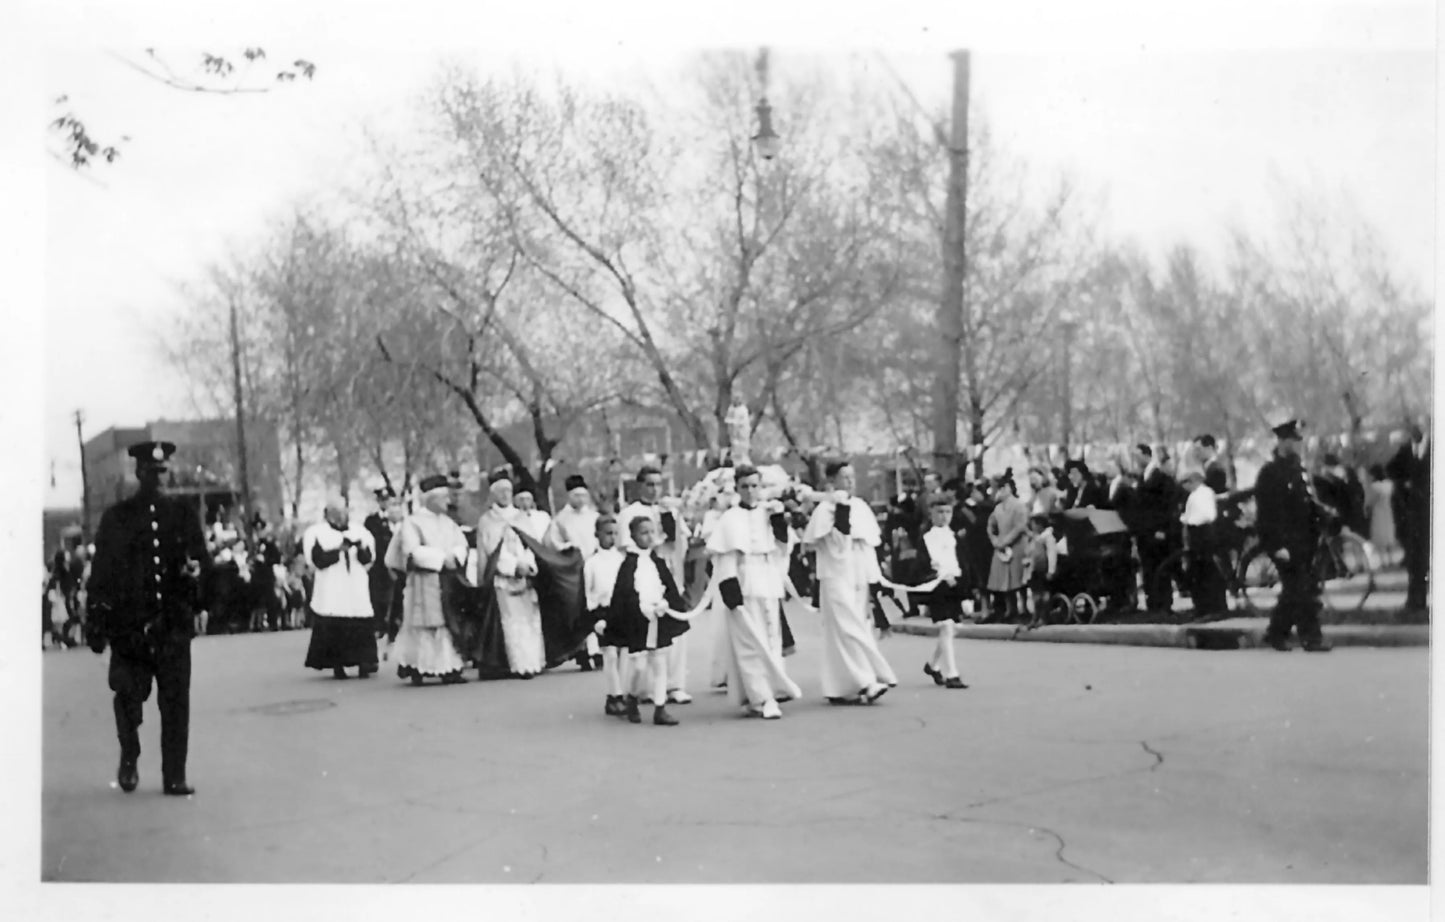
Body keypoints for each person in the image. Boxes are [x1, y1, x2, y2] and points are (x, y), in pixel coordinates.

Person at [85, 441, 208, 796]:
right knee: (127, 698)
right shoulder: (117, 518)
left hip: (172, 625)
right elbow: (101, 575)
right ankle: (129, 755)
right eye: (152, 473)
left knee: (175, 703)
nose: (159, 479)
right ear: (139, 473)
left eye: (163, 472)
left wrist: (196, 577)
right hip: (131, 628)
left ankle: (174, 774)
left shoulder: (183, 514)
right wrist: (98, 622)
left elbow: (202, 560)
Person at [707, 465, 803, 719]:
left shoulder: (769, 513)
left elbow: (783, 548)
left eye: (754, 486)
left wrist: (778, 522)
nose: (750, 491)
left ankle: (769, 690)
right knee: (749, 642)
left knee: (772, 637)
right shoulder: (729, 518)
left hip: (767, 578)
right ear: (736, 489)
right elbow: (725, 556)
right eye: (744, 487)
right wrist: (730, 589)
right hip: (743, 581)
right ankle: (761, 697)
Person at [802, 461, 897, 705]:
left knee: (859, 624)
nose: (851, 482)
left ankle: (844, 686)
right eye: (845, 477)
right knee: (846, 625)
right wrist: (839, 511)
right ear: (832, 482)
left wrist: (875, 579)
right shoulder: (825, 509)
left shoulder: (862, 506)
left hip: (858, 574)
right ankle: (869, 679)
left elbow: (868, 546)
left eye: (852, 477)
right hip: (835, 573)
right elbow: (834, 543)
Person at [616, 465, 694, 705]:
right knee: (647, 634)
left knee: (675, 629)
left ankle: (674, 685)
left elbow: (683, 540)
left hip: (670, 574)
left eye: (658, 484)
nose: (654, 489)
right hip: (645, 577)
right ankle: (645, 687)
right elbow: (625, 546)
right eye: (649, 484)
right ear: (640, 486)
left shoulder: (669, 509)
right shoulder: (630, 513)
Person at [1255, 420, 1333, 652]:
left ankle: (1275, 634)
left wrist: (1325, 516)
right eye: (1294, 440)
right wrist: (1276, 544)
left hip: (1304, 542)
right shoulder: (1269, 473)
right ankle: (1311, 638)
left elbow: (1307, 503)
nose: (1298, 445)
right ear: (1282, 442)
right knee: (1302, 590)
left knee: (1296, 590)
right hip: (1284, 543)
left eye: (1299, 440)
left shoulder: (1299, 470)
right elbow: (1266, 514)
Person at [385, 474, 471, 684]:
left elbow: (461, 543)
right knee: (425, 626)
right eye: (443, 498)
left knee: (447, 624)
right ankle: (417, 667)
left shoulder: (448, 522)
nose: (447, 502)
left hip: (448, 582)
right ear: (431, 499)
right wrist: (442, 559)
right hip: (424, 581)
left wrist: (456, 556)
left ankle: (449, 667)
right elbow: (411, 551)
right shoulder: (413, 523)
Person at [611, 518, 691, 726]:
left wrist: (666, 603)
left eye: (651, 532)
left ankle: (660, 708)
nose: (648, 536)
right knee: (638, 666)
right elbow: (624, 594)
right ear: (633, 536)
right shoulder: (628, 565)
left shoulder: (658, 562)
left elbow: (668, 586)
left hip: (659, 617)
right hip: (638, 620)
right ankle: (632, 697)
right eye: (643, 532)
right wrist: (640, 608)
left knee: (659, 663)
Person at [477, 471, 546, 678]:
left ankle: (533, 661)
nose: (505, 495)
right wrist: (513, 566)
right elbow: (490, 553)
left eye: (508, 490)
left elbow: (533, 544)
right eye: (500, 491)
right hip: (503, 578)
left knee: (529, 620)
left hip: (525, 577)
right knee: (510, 621)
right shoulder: (487, 521)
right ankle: (515, 663)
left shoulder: (521, 517)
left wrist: (528, 564)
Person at [302, 500, 380, 679]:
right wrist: (338, 550)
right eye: (336, 514)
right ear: (327, 515)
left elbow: (368, 559)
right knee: (334, 625)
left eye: (343, 513)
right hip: (332, 587)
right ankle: (338, 666)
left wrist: (359, 548)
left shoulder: (360, 531)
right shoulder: (317, 533)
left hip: (355, 585)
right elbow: (316, 560)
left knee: (361, 623)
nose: (340, 517)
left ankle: (364, 663)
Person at [916, 495, 969, 689]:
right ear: (931, 514)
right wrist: (934, 576)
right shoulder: (926, 538)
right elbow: (921, 566)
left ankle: (932, 665)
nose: (944, 516)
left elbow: (963, 563)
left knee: (951, 629)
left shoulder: (955, 537)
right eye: (939, 512)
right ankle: (952, 674)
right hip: (937, 586)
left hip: (954, 585)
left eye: (948, 512)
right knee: (946, 626)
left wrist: (966, 591)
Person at [585, 515, 630, 716]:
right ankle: (614, 696)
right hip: (602, 612)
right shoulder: (591, 563)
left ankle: (621, 692)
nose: (611, 538)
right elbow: (587, 593)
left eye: (614, 533)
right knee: (610, 654)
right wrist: (594, 616)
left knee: (623, 655)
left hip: (620, 611)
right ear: (597, 535)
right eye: (607, 533)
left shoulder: (621, 560)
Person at [1386, 423, 1431, 611]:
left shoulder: (1434, 449)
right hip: (1412, 517)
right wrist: (1403, 483)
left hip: (1429, 514)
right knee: (1415, 561)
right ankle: (1415, 601)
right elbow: (1390, 469)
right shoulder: (1405, 451)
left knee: (1425, 560)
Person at [1178, 467, 1227, 619]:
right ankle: (1213, 606)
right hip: (1207, 534)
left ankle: (1206, 607)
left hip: (1200, 534)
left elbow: (1198, 516)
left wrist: (1184, 519)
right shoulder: (1206, 492)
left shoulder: (1198, 495)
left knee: (1202, 572)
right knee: (1206, 571)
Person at [1133, 444, 1175, 613]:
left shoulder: (1160, 477)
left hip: (1157, 531)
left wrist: (1162, 529)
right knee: (1149, 568)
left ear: (1146, 455)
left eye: (1137, 455)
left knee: (1160, 567)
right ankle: (1153, 603)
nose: (1135, 460)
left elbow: (1166, 506)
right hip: (1145, 533)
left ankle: (1164, 603)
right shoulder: (1142, 477)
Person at [985, 472, 1030, 623]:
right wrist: (995, 540)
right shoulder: (997, 509)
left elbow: (1020, 526)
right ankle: (1011, 609)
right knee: (1005, 579)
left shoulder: (1019, 506)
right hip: (1001, 547)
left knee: (1019, 578)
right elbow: (990, 526)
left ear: (1007, 488)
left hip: (1017, 545)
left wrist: (1005, 541)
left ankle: (1024, 608)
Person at [363, 486, 403, 639]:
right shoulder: (372, 521)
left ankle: (393, 627)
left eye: (387, 500)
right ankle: (379, 626)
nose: (385, 503)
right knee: (378, 596)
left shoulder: (400, 521)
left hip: (396, 565)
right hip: (379, 566)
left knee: (396, 597)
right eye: (382, 500)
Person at [1023, 513, 1059, 627]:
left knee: (1043, 594)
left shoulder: (1048, 537)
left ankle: (1044, 617)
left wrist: (1051, 570)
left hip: (1043, 570)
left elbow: (1052, 554)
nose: (1032, 526)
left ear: (1039, 525)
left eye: (1033, 524)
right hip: (1034, 570)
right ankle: (1036, 616)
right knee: (1035, 595)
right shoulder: (1035, 538)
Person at [1364, 463, 1399, 567]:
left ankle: (1384, 561)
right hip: (1388, 511)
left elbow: (1370, 502)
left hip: (1377, 513)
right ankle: (1391, 560)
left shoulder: (1374, 487)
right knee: (1388, 536)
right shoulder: (1389, 484)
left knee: (1379, 538)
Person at [724, 393, 753, 466]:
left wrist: (738, 425)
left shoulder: (743, 410)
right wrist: (732, 425)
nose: (736, 400)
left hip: (742, 433)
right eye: (735, 398)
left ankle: (744, 461)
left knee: (742, 448)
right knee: (734, 448)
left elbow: (744, 422)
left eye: (738, 398)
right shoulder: (731, 408)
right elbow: (728, 419)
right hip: (734, 435)